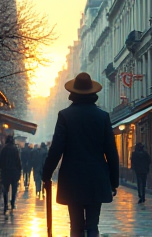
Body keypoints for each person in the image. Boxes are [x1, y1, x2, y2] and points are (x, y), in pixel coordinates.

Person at [42, 72, 119, 237]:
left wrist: (46, 175)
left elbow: (56, 149)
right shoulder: (103, 116)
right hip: (96, 177)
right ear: (93, 93)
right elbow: (111, 151)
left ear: (73, 93)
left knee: (76, 226)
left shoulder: (65, 116)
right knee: (93, 224)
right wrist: (114, 182)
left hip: (72, 177)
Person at [0, 134, 22, 214]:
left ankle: (5, 204)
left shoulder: (4, 149)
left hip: (5, 172)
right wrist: (19, 170)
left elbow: (0, 161)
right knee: (14, 188)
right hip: (14, 172)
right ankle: (12, 203)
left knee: (5, 189)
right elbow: (18, 161)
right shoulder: (15, 149)